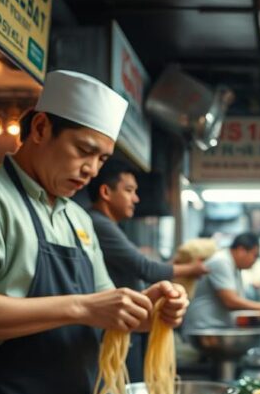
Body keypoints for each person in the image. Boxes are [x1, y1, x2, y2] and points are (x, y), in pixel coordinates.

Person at [0, 70, 188, 394]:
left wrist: (149, 312)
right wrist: (80, 307)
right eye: (84, 150)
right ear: (41, 128)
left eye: (102, 159)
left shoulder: (76, 218)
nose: (92, 169)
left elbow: (106, 311)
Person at [86, 161, 209, 381]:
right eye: (129, 190)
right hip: (115, 327)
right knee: (117, 392)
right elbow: (146, 268)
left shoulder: (110, 226)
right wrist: (193, 268)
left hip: (128, 324)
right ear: (105, 192)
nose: (136, 199)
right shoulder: (98, 223)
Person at [183, 233, 260, 332]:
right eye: (255, 255)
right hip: (204, 327)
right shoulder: (221, 261)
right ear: (241, 251)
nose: (255, 260)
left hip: (215, 326)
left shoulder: (233, 266)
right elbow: (231, 301)